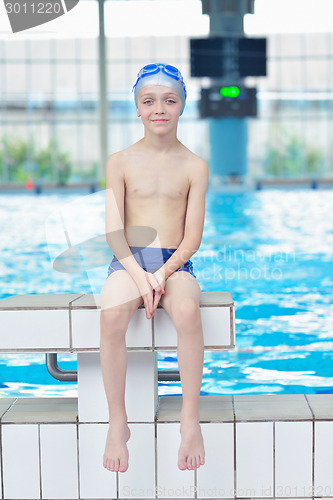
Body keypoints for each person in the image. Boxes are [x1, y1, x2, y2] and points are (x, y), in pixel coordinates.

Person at [99, 63, 209, 474]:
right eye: (149, 101)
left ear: (182, 105)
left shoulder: (195, 166)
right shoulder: (120, 162)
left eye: (169, 100)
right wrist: (137, 274)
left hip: (175, 264)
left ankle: (189, 418)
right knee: (111, 315)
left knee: (185, 311)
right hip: (128, 261)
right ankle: (117, 421)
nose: (159, 108)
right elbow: (113, 233)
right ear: (137, 109)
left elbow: (192, 239)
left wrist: (161, 276)